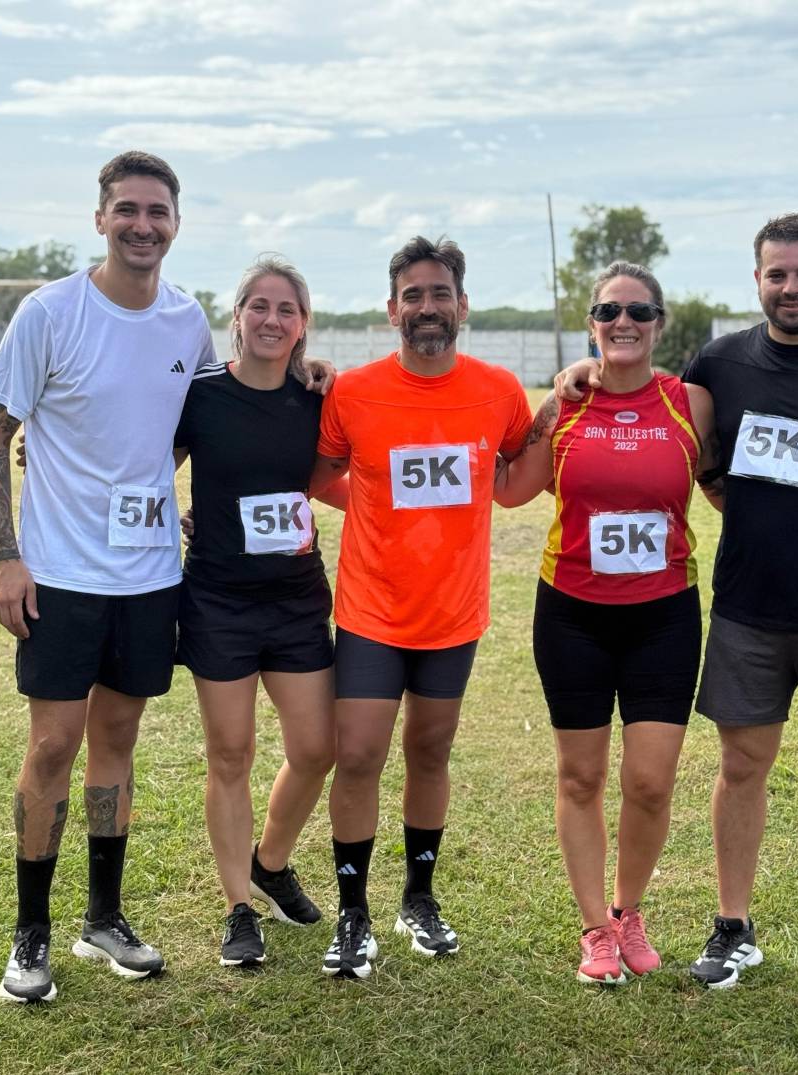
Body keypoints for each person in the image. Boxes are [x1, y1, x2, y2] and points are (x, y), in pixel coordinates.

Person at [558, 214, 798, 1006]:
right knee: (739, 767)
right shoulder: (721, 362)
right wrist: (585, 369)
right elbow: (672, 430)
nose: (790, 287)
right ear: (757, 279)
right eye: (776, 274)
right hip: (746, 609)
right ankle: (732, 925)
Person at [0, 151, 211, 1002]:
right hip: (60, 574)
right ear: (101, 217)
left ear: (175, 223)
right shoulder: (50, 312)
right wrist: (7, 557)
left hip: (147, 577)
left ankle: (102, 918)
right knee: (52, 744)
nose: (142, 225)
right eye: (127, 209)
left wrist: (155, 485)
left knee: (118, 741)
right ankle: (30, 931)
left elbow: (192, 428)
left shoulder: (188, 321)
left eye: (157, 211)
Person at [307, 236, 532, 979]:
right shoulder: (353, 392)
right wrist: (370, 506)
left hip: (453, 615)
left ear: (462, 305)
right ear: (391, 309)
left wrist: (567, 398)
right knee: (359, 755)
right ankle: (353, 912)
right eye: (413, 295)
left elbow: (513, 479)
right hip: (371, 612)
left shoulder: (499, 390)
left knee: (430, 752)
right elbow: (319, 474)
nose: (426, 307)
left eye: (439, 294)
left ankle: (419, 898)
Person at [495, 262, 719, 985]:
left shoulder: (689, 403)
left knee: (650, 781)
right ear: (591, 323)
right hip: (572, 614)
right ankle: (595, 928)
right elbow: (510, 489)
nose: (624, 322)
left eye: (639, 311)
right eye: (609, 311)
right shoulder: (564, 404)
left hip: (663, 616)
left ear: (660, 323)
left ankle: (628, 910)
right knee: (581, 775)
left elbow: (727, 488)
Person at [174, 257, 347, 967]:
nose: (272, 320)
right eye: (259, 306)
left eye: (287, 309)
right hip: (218, 600)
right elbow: (140, 464)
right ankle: (237, 907)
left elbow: (351, 470)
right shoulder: (199, 394)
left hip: (296, 599)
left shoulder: (318, 399)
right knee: (230, 753)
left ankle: (270, 863)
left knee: (317, 749)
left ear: (303, 324)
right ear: (237, 315)